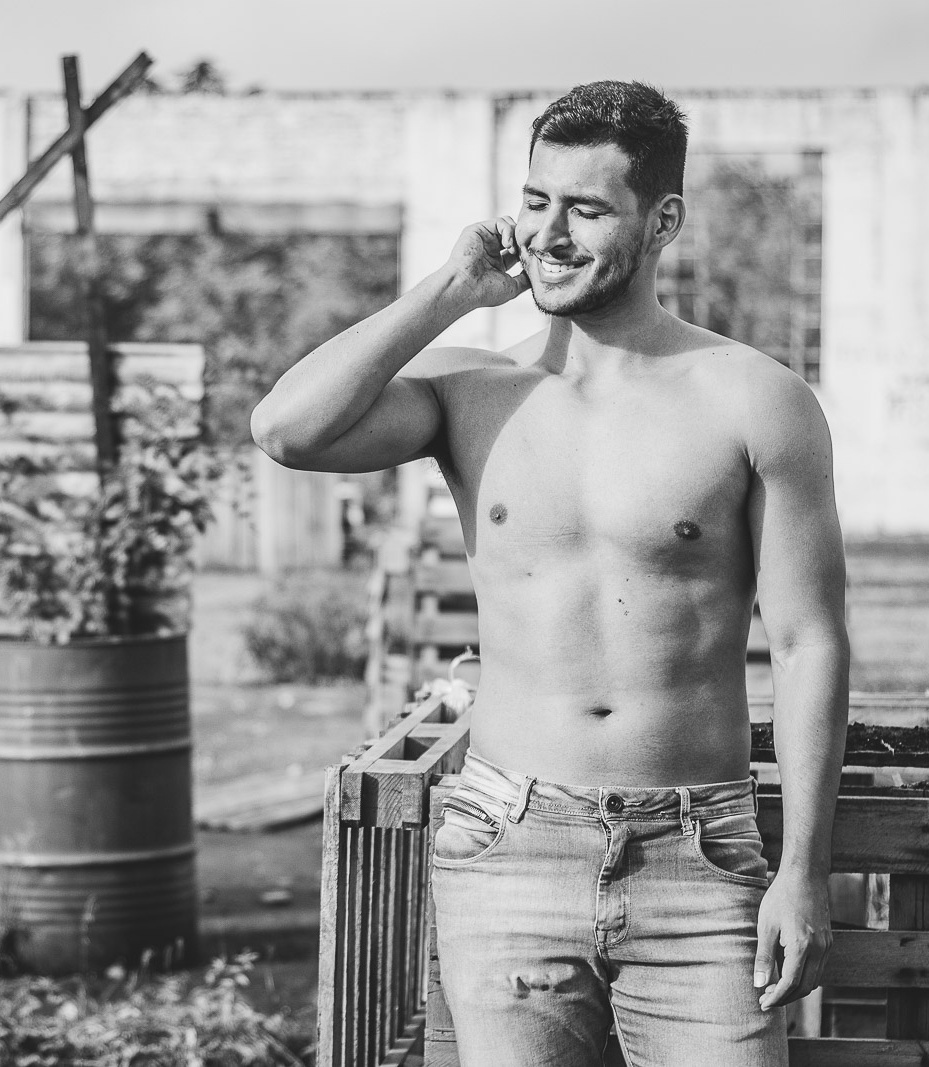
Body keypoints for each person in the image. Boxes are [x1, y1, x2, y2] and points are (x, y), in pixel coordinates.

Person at [250, 81, 849, 1065]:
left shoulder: (753, 398)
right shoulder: (473, 390)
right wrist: (449, 289)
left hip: (697, 853)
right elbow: (286, 428)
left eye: (585, 209)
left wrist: (803, 868)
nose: (548, 234)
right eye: (534, 201)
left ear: (662, 222)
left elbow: (806, 640)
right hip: (508, 845)